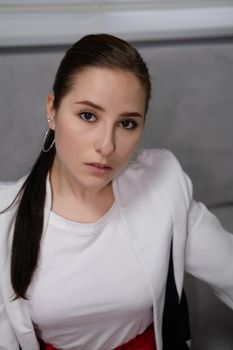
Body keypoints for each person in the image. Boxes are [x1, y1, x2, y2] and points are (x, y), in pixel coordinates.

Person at [0, 33, 232, 350]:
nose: (106, 146)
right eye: (88, 115)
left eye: (126, 124)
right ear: (52, 110)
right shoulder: (4, 217)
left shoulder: (163, 185)